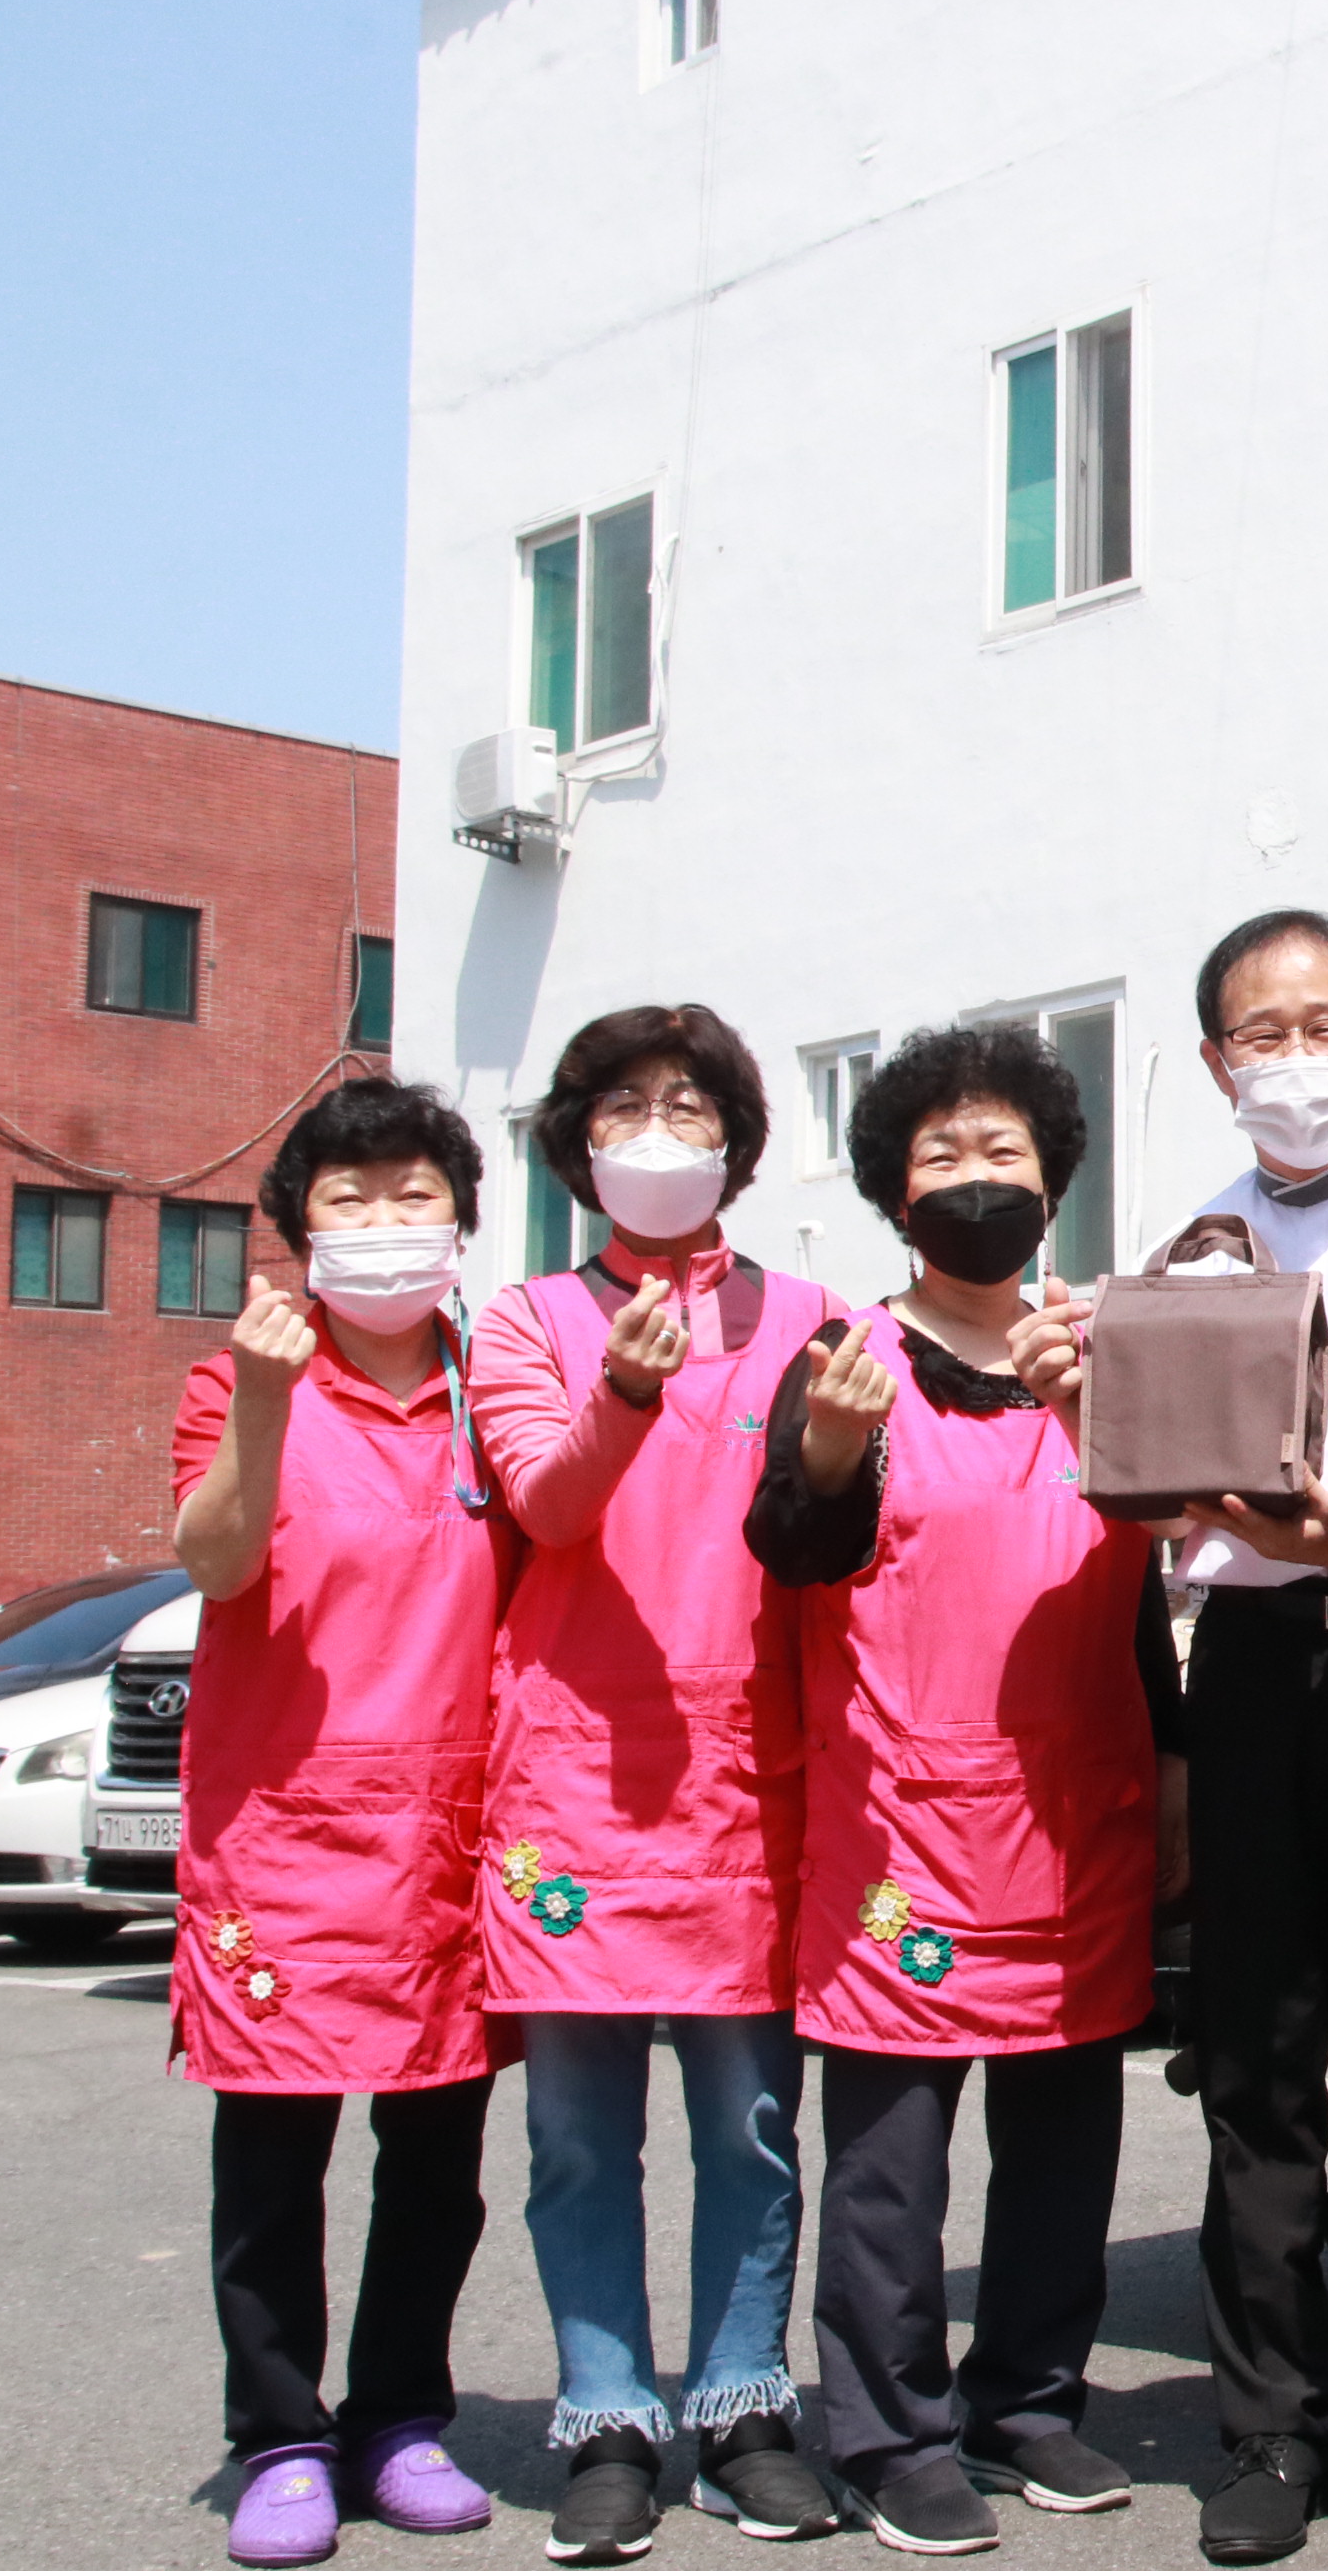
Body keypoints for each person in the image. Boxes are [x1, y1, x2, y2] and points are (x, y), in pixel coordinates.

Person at [1040, 909, 1328, 2567]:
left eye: (1326, 1027)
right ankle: (1270, 2429)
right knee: (1257, 2059)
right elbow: (1143, 1499)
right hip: (1250, 1660)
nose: (1297, 1059)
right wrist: (1076, 1405)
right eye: (1262, 1033)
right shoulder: (1182, 1254)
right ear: (1215, 1061)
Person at [746, 1021, 1180, 2556]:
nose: (977, 1176)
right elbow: (794, 1552)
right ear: (894, 1192)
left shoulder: (1106, 1362)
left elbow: (1140, 1588)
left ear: (1054, 1180)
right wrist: (826, 1451)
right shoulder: (844, 1360)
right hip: (902, 1828)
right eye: (943, 1154)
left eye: (1004, 1150)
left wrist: (1176, 1767)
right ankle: (887, 2430)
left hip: (1080, 1813)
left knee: (1065, 2144)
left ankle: (1029, 2403)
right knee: (891, 2166)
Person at [469, 1005, 842, 2559]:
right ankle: (607, 2414)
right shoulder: (523, 1322)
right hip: (572, 1784)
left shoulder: (817, 1319)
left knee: (750, 2127)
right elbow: (550, 1511)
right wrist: (623, 1397)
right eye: (624, 1106)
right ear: (577, 1145)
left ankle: (744, 2405)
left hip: (753, 1782)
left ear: (738, 1143)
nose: (659, 1133)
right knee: (578, 2137)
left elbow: (850, 1539)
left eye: (690, 1106)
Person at [167, 1077, 515, 2569]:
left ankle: (400, 2420)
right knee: (273, 2160)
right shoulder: (236, 1380)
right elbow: (217, 1562)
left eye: (413, 1195)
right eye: (349, 1200)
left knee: (436, 2161)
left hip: (453, 1833)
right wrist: (262, 1399)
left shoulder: (499, 1388)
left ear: (461, 1221)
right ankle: (280, 2436)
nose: (384, 1222)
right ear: (300, 1230)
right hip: (283, 1839)